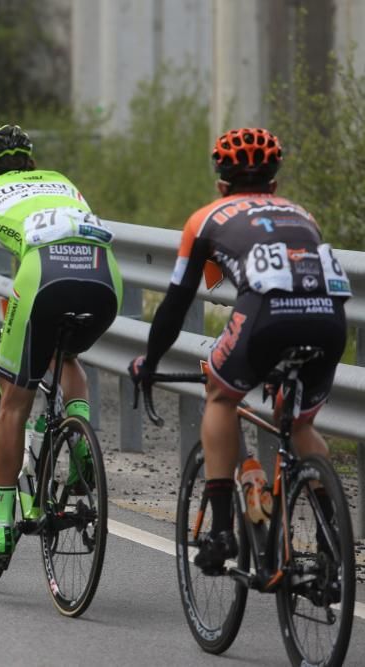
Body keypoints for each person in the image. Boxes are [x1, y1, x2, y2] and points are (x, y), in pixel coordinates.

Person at [129, 128, 350, 572]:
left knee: (220, 395)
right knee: (302, 423)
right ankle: (331, 544)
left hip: (268, 318)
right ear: (274, 183)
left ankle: (222, 529)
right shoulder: (302, 215)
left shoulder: (206, 218)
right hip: (329, 319)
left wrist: (149, 363)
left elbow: (176, 303)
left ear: (221, 184)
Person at [0, 125, 121, 562]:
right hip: (105, 279)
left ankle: (2, 525)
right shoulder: (63, 182)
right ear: (31, 161)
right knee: (65, 354)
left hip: (44, 281)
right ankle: (81, 433)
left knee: (12, 398)